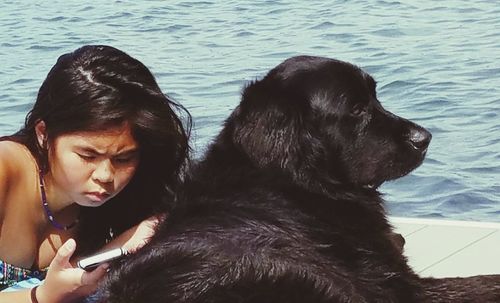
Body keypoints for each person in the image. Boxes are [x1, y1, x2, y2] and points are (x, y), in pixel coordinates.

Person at [0, 45, 191, 302]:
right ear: (44, 134)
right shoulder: (5, 170)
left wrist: (125, 244)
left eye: (124, 158)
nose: (106, 175)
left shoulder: (128, 197)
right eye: (88, 156)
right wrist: (42, 296)